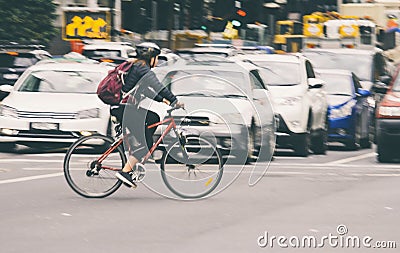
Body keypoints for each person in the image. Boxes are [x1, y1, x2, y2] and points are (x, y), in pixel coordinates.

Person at [115, 42, 184, 188]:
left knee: (153, 118)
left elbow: (146, 90)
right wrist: (174, 100)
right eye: (156, 57)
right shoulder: (142, 69)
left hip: (124, 108)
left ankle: (137, 149)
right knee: (147, 144)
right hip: (125, 109)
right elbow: (158, 86)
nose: (157, 61)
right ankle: (126, 171)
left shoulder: (138, 68)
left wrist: (162, 99)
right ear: (150, 57)